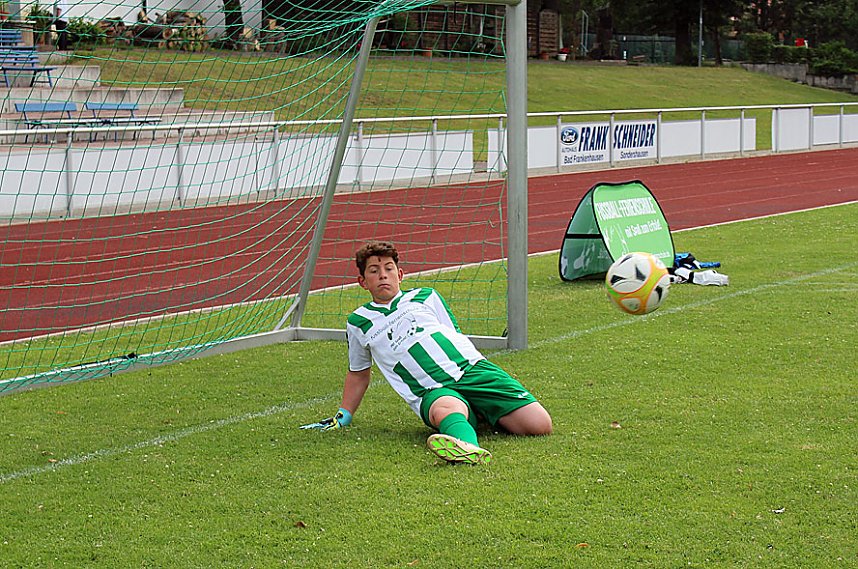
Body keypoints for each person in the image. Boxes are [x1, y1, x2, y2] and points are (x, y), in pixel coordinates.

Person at [301, 241, 552, 464]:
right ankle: (468, 448)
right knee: (446, 408)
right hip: (430, 390)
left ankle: (477, 411)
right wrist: (343, 415)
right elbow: (358, 373)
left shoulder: (426, 296)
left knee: (540, 425)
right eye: (374, 271)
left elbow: (453, 333)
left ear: (400, 274)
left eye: (388, 269)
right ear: (363, 282)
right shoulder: (358, 322)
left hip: (473, 370)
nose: (383, 276)